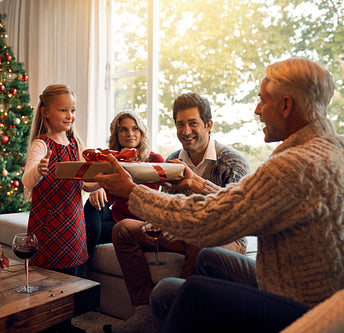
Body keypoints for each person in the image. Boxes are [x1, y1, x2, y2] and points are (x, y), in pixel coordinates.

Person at [95, 58, 344, 332]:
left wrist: (133, 191)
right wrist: (198, 184)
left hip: (308, 310)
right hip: (312, 292)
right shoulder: (333, 150)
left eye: (263, 100)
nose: (257, 109)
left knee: (178, 292)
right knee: (209, 259)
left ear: (286, 105)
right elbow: (246, 203)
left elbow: (209, 223)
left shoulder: (295, 165)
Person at [104, 93, 252, 333]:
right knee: (123, 230)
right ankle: (145, 312)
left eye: (193, 123)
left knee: (199, 238)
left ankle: (178, 314)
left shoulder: (233, 161)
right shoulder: (173, 160)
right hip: (181, 232)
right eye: (180, 124)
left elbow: (238, 216)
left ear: (208, 125)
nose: (186, 130)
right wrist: (166, 223)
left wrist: (186, 220)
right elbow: (166, 204)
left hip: (225, 238)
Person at [22, 84, 98, 277]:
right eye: (63, 110)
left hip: (73, 225)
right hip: (47, 227)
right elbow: (27, 180)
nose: (69, 115)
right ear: (45, 112)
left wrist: (104, 181)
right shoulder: (41, 144)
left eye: (72, 110)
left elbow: (87, 185)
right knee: (46, 280)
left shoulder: (76, 145)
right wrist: (39, 170)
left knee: (73, 279)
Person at [84, 111, 164, 260]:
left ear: (141, 132)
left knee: (85, 231)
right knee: (91, 205)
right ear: (116, 134)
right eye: (123, 129)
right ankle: (83, 268)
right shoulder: (113, 160)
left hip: (138, 224)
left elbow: (167, 192)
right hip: (116, 218)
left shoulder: (155, 159)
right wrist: (99, 187)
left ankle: (82, 268)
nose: (130, 134)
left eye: (135, 129)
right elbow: (102, 195)